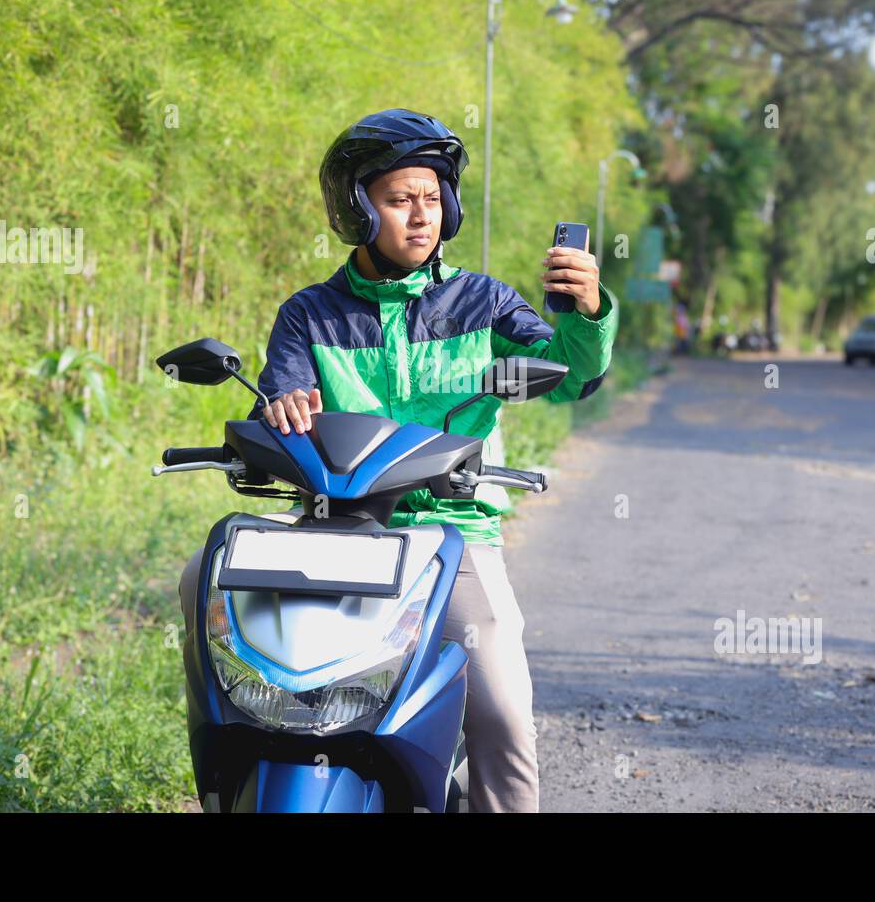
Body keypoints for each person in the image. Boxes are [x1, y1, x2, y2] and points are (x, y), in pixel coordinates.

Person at [177, 108, 619, 812]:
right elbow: (282, 393)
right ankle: (226, 782)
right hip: (328, 525)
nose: (422, 216)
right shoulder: (309, 314)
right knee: (203, 571)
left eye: (432, 198)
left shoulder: (484, 303)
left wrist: (588, 315)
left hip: (451, 532)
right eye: (399, 199)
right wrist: (281, 410)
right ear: (356, 209)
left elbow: (571, 377)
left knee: (504, 713)